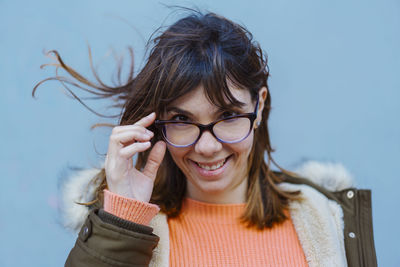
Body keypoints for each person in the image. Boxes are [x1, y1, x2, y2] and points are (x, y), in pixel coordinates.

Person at [35, 9, 377, 267]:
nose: (208, 146)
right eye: (183, 120)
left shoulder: (325, 217)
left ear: (259, 106)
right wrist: (122, 221)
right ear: (158, 123)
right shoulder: (136, 230)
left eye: (228, 116)